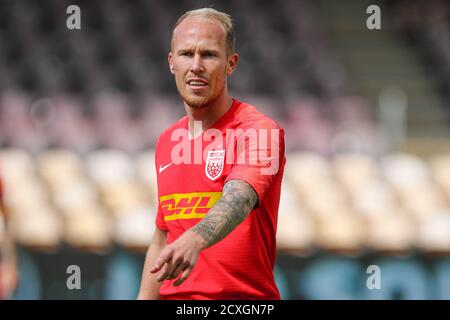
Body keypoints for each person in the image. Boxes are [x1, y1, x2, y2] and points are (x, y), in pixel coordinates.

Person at [137, 8, 285, 300]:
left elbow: (239, 198)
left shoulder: (260, 131)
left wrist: (195, 239)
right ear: (171, 63)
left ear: (231, 63)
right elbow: (163, 236)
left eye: (208, 55)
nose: (196, 66)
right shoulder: (167, 141)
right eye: (186, 54)